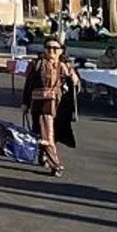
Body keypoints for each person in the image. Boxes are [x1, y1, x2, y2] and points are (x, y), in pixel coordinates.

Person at [22, 40, 77, 176]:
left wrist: (73, 78)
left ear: (61, 50)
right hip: (41, 104)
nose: (51, 51)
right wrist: (25, 103)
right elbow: (29, 85)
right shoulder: (37, 64)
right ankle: (55, 164)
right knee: (47, 134)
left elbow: (75, 86)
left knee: (51, 134)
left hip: (60, 106)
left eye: (55, 48)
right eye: (48, 48)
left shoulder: (65, 66)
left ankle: (44, 154)